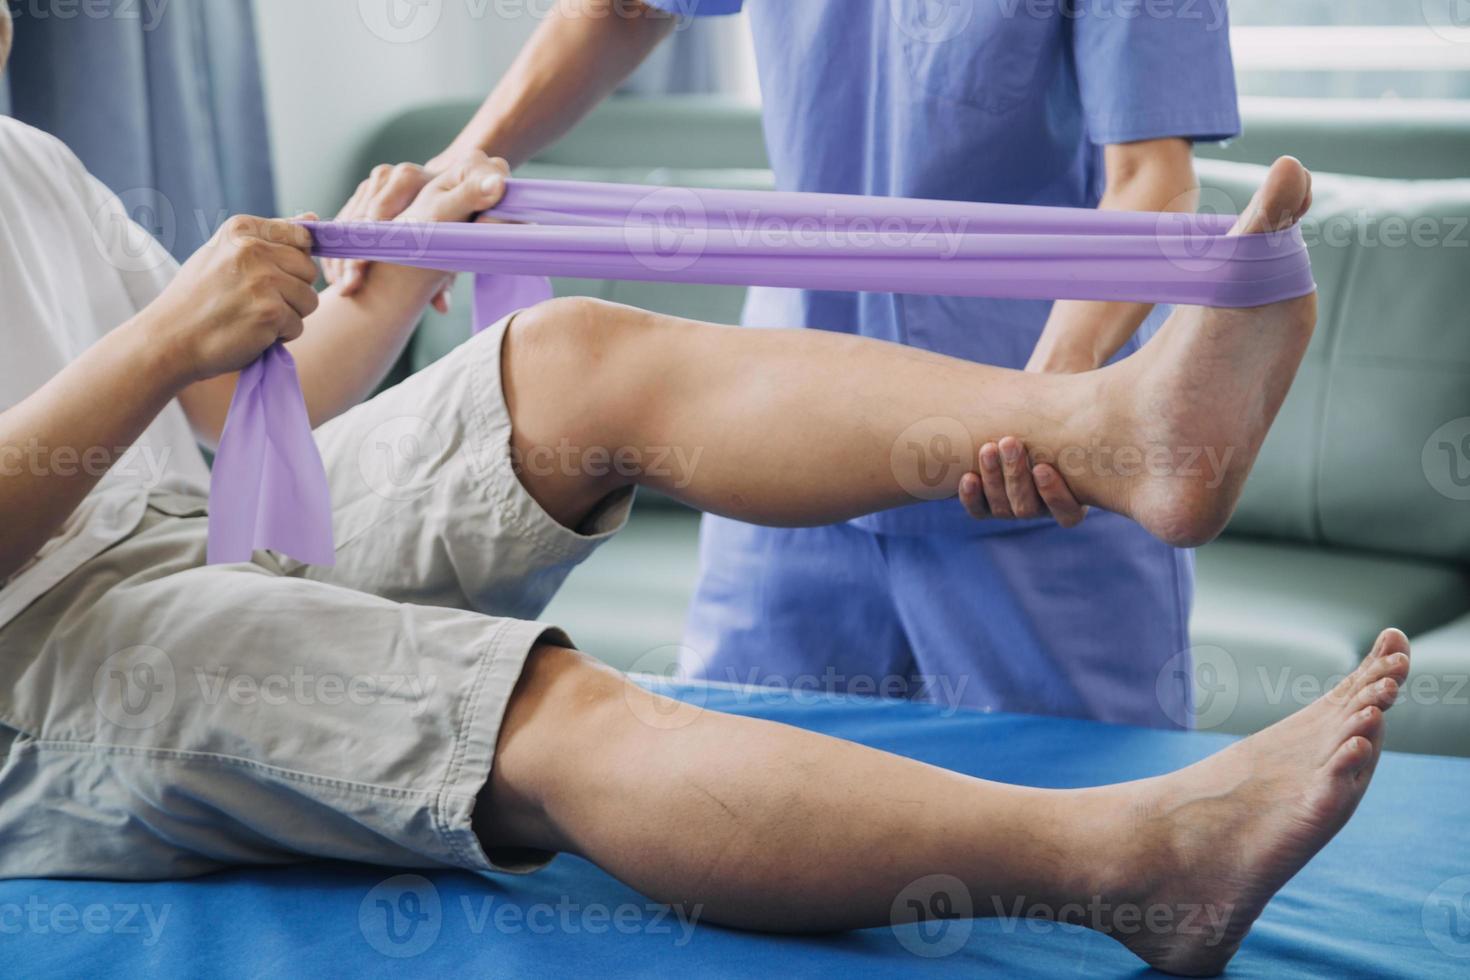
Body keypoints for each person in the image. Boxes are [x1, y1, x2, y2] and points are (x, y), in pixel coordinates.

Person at [0, 9, 1416, 973]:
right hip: (38, 657)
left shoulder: (32, 162)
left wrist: (397, 265)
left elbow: (240, 410)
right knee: (531, 704)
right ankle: (1130, 859)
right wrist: (156, 341)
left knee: (571, 355)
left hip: (186, 536)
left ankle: (1112, 430)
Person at [331, 0, 1243, 727]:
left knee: (1085, 853)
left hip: (1028, 462)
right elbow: (622, 5)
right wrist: (454, 170)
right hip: (787, 436)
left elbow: (1150, 180)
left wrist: (1055, 404)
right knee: (739, 823)